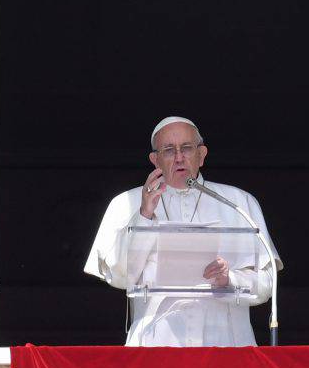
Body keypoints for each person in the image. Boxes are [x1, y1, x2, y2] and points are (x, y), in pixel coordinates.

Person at [84, 116, 282, 346]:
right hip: (155, 343)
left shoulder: (240, 203)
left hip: (225, 342)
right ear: (155, 159)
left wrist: (230, 278)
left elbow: (268, 283)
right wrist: (145, 214)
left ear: (202, 154)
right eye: (169, 150)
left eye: (186, 148)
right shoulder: (124, 204)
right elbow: (119, 276)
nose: (179, 157)